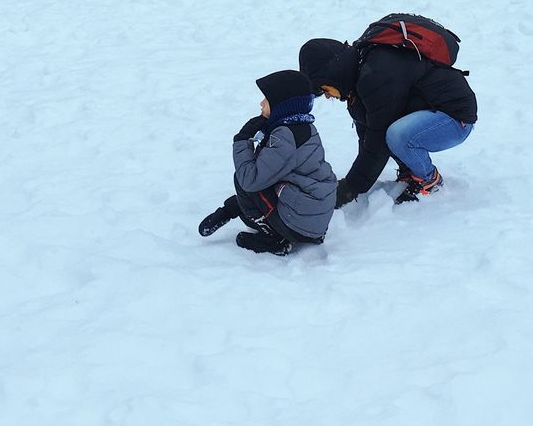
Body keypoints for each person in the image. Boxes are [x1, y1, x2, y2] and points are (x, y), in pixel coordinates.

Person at [299, 25, 477, 207]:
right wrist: (354, 183)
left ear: (332, 74)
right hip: (431, 112)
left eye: (324, 88)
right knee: (389, 132)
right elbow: (369, 139)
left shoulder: (375, 76)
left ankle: (429, 180)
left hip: (454, 117)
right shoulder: (357, 84)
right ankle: (410, 171)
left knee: (396, 135)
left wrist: (349, 188)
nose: (328, 95)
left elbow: (377, 142)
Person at [198, 70, 336, 257]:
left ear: (282, 106)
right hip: (312, 216)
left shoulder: (285, 137)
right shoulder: (302, 127)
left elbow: (251, 180)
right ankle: (282, 229)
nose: (261, 103)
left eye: (267, 99)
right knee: (255, 180)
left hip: (302, 223)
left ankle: (274, 239)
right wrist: (229, 210)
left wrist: (242, 140)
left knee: (243, 178)